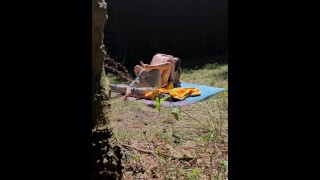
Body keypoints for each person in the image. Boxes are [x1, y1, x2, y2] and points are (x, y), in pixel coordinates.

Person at [109, 53, 181, 99]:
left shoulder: (157, 55)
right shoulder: (170, 61)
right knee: (155, 88)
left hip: (145, 71)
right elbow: (170, 81)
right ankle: (132, 91)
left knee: (131, 86)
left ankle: (110, 86)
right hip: (155, 75)